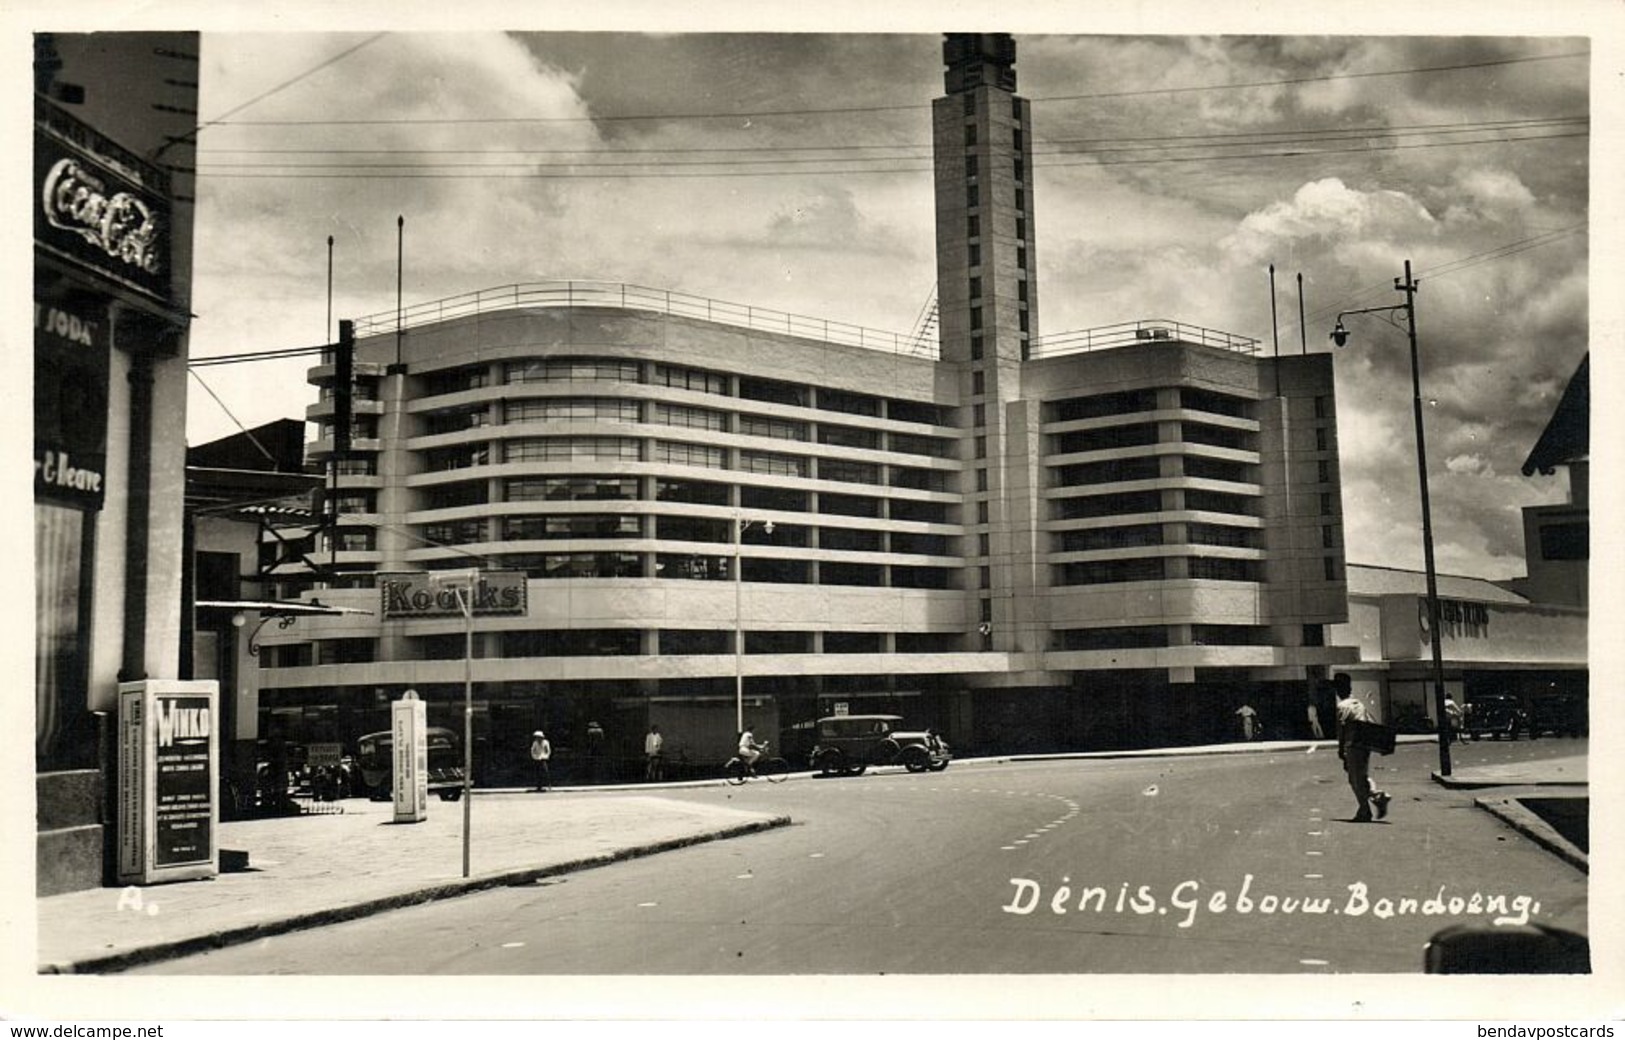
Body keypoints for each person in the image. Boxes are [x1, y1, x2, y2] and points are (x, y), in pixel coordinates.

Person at [1333, 674, 1391, 822]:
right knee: (1360, 776)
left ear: (1338, 690)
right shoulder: (1358, 704)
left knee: (1355, 780)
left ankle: (1367, 808)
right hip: (1364, 745)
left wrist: (1341, 750)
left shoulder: (1342, 707)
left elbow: (1342, 731)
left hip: (1353, 745)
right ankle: (1375, 797)